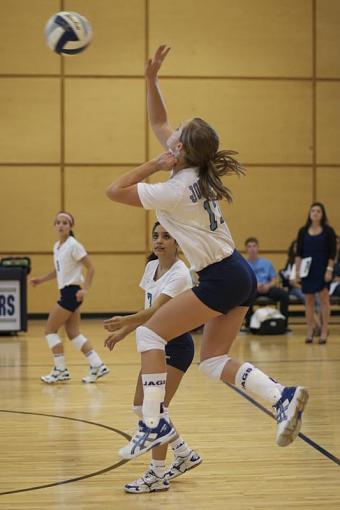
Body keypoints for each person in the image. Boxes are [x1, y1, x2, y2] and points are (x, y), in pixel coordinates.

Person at [105, 45, 309, 462]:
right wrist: (150, 80)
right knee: (214, 360)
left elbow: (114, 191)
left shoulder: (175, 188)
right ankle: (281, 397)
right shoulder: (193, 169)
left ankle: (152, 422)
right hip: (237, 273)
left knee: (149, 333)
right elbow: (159, 119)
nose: (170, 132)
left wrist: (150, 165)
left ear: (179, 151)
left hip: (220, 275)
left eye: (175, 137)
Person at [103, 222, 201, 493]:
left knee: (155, 411)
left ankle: (157, 475)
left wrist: (126, 320)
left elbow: (157, 310)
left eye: (166, 236)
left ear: (178, 243)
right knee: (140, 406)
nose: (159, 241)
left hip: (176, 346)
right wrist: (125, 330)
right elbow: (148, 309)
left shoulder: (181, 274)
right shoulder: (151, 267)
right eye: (156, 236)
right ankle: (183, 453)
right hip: (154, 343)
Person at [30, 211, 109, 383]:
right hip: (67, 292)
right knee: (73, 333)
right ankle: (97, 364)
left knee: (49, 330)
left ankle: (60, 370)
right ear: (54, 226)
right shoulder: (57, 246)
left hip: (71, 292)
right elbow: (57, 271)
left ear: (70, 226)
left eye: (65, 222)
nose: (61, 225)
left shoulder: (74, 245)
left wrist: (85, 290)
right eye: (58, 222)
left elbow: (91, 268)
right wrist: (41, 280)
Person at [294, 203, 337, 344]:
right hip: (308, 270)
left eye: (318, 211)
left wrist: (329, 270)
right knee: (309, 301)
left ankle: (324, 331)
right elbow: (298, 253)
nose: (315, 213)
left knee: (324, 300)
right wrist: (298, 272)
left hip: (323, 269)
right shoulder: (303, 231)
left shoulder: (328, 231)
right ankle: (310, 330)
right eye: (313, 210)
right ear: (309, 213)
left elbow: (333, 253)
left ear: (322, 214)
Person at [244, 237, 290, 331]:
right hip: (253, 289)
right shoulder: (244, 264)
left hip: (268, 288)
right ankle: (250, 325)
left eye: (254, 246)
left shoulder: (267, 263)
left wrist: (268, 286)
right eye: (249, 247)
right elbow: (244, 281)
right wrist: (256, 286)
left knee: (284, 295)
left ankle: (283, 325)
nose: (252, 249)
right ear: (246, 250)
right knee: (244, 298)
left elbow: (274, 279)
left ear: (258, 248)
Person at [281, 240, 322, 335]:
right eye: (295, 247)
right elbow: (291, 281)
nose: (297, 249)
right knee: (306, 297)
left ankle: (316, 326)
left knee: (317, 298)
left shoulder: (306, 261)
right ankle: (319, 325)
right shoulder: (290, 262)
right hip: (295, 288)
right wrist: (302, 287)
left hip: (307, 286)